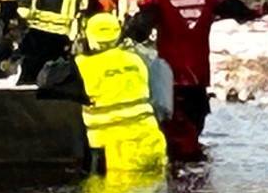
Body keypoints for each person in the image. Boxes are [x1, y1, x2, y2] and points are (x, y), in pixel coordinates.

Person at [125, 0, 259, 159]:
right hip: (199, 80)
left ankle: (186, 189)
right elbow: (239, 10)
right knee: (194, 138)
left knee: (179, 151)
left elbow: (138, 32)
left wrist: (127, 24)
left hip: (172, 83)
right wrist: (256, 12)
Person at [37, 12, 170, 177]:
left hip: (114, 154)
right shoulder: (138, 59)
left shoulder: (84, 67)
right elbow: (163, 104)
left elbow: (45, 80)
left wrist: (75, 54)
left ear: (89, 38)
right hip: (151, 143)